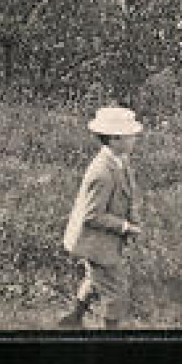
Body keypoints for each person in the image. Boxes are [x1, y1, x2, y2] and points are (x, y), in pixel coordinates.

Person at [59, 106, 144, 329]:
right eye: (130, 135)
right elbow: (92, 215)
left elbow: (128, 190)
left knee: (95, 280)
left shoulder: (120, 160)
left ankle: (73, 319)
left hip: (101, 240)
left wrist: (132, 215)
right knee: (116, 292)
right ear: (115, 139)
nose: (134, 138)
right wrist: (125, 226)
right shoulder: (102, 172)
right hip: (93, 241)